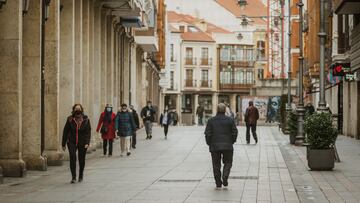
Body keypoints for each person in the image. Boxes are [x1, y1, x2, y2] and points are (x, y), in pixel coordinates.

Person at [205, 103, 238, 189]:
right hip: (228, 145)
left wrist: (209, 143)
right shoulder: (230, 120)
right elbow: (235, 132)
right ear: (224, 110)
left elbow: (207, 133)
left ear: (217, 110)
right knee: (228, 162)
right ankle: (225, 176)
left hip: (215, 146)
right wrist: (232, 141)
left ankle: (218, 182)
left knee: (216, 164)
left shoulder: (211, 120)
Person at [62, 104, 91, 183]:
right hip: (71, 141)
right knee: (72, 157)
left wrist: (87, 142)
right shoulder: (70, 119)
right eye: (76, 108)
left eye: (79, 108)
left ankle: (81, 174)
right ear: (73, 110)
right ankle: (73, 177)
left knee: (81, 160)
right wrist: (63, 143)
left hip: (82, 142)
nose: (77, 110)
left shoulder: (86, 119)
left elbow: (88, 132)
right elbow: (65, 131)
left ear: (82, 109)